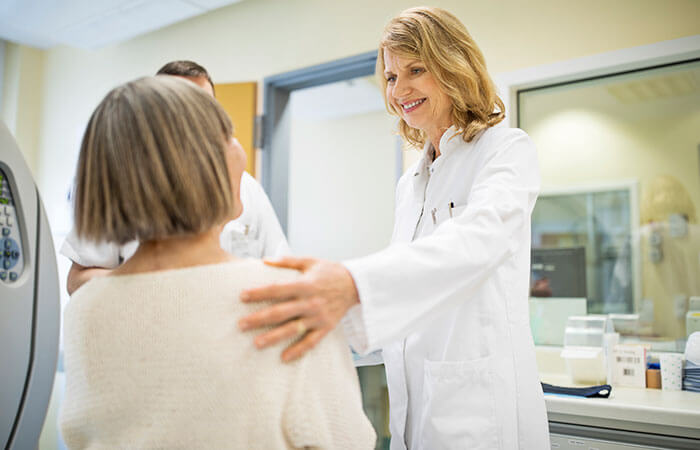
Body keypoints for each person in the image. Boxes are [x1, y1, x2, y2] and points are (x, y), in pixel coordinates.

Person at [238, 7, 550, 449]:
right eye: (389, 77)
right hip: (415, 407)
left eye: (416, 70)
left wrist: (351, 285)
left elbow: (476, 243)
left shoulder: (505, 151)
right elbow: (410, 289)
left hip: (479, 413)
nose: (399, 90)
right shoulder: (412, 183)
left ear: (454, 65)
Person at [58, 76, 376, 449]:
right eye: (229, 135)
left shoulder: (85, 312)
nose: (241, 152)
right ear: (202, 166)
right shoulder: (291, 303)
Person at [61, 60, 289, 295]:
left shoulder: (245, 187)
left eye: (205, 108)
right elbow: (78, 281)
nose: (196, 122)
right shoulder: (121, 184)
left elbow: (280, 267)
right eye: (182, 107)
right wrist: (149, 279)